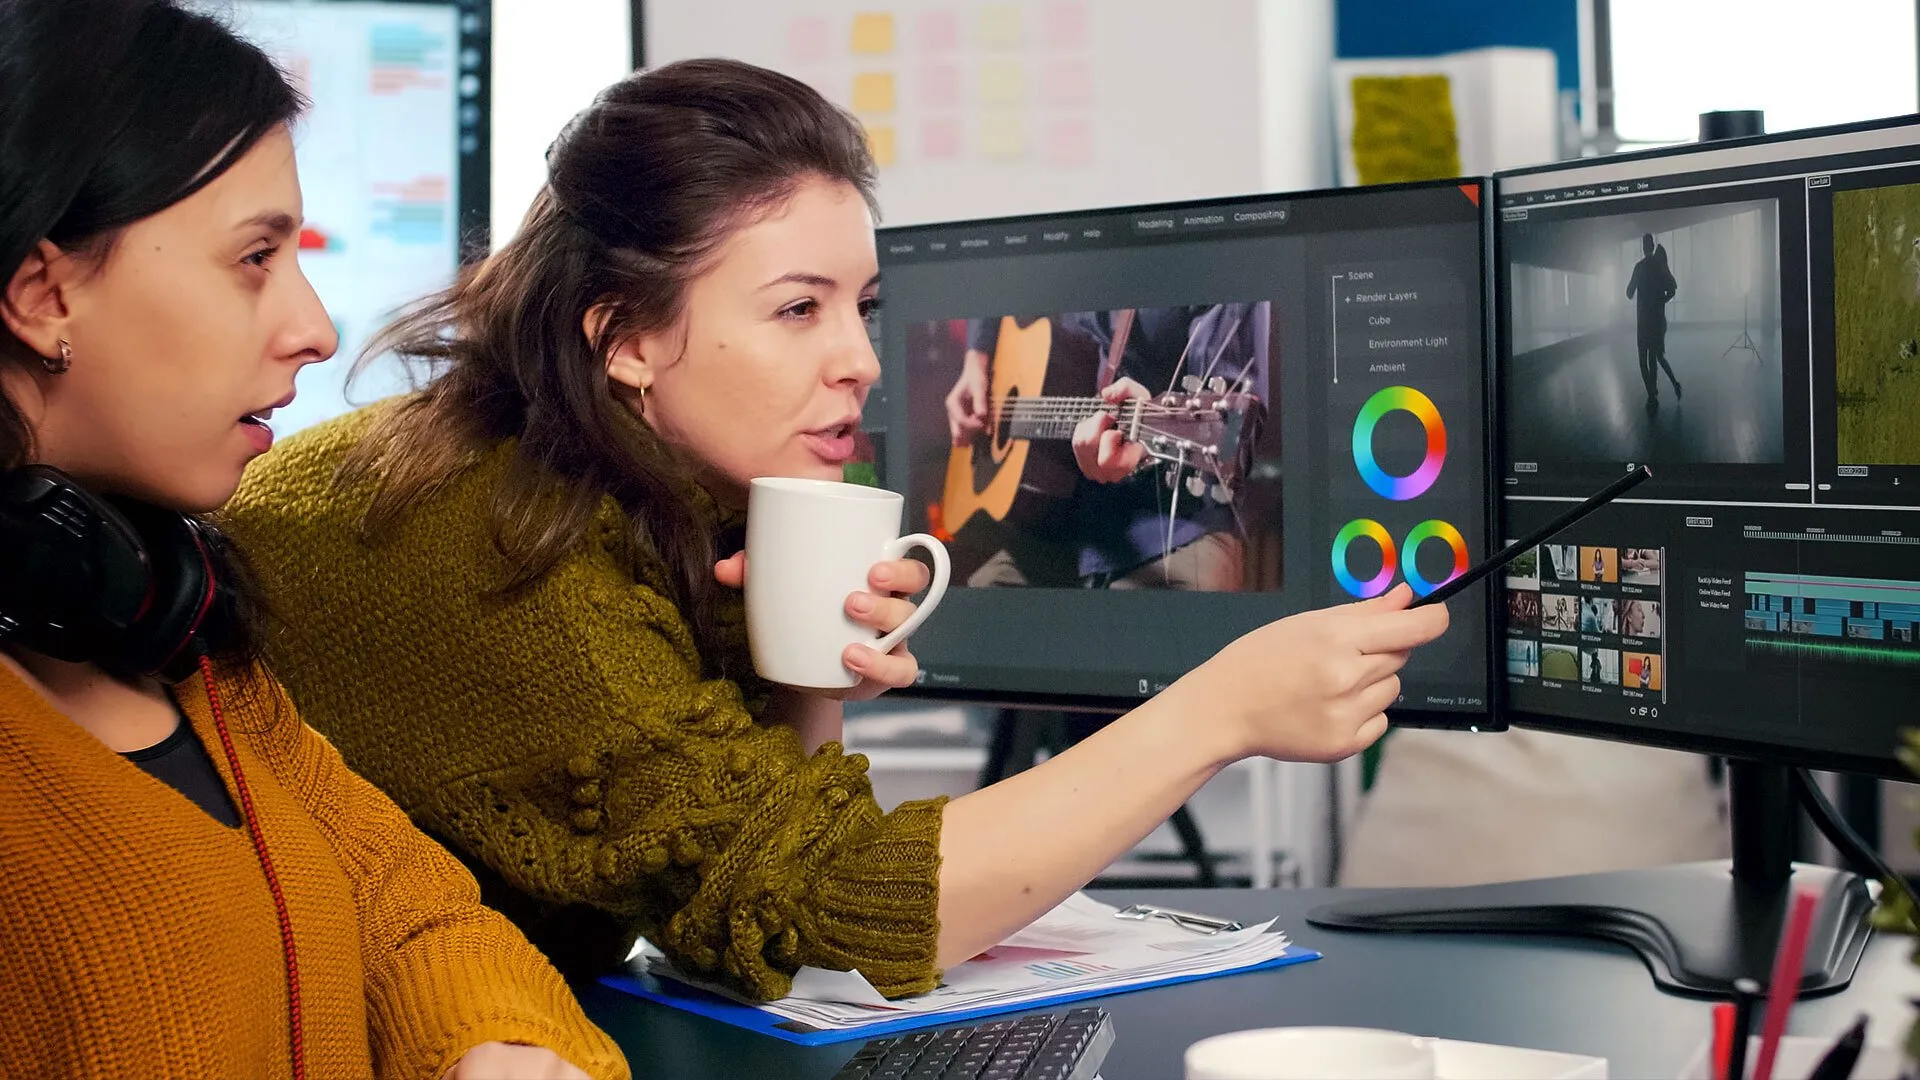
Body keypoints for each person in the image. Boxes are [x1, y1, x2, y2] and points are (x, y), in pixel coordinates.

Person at [222, 58, 1448, 1003]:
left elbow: (748, 912)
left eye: (862, 307)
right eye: (797, 309)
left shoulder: (621, 486)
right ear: (626, 337)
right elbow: (830, 913)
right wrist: (1217, 711)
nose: (861, 361)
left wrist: (801, 677)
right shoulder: (497, 540)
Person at [0, 3, 625, 1076]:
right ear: (41, 291)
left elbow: (410, 910)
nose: (316, 328)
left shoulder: (182, 641)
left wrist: (502, 1049)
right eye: (254, 257)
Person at [944, 304, 1269, 590]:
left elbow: (1229, 430)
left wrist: (1140, 448)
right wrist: (977, 357)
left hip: (1169, 523)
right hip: (1059, 518)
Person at [1625, 233, 1681, 408]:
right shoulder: (1659, 267)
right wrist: (1660, 301)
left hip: (1642, 321)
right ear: (1653, 245)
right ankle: (1653, 393)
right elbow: (1672, 290)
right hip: (1657, 320)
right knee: (1654, 358)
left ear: (1643, 247)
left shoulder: (1639, 268)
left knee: (1643, 360)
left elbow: (1629, 293)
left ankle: (1651, 394)